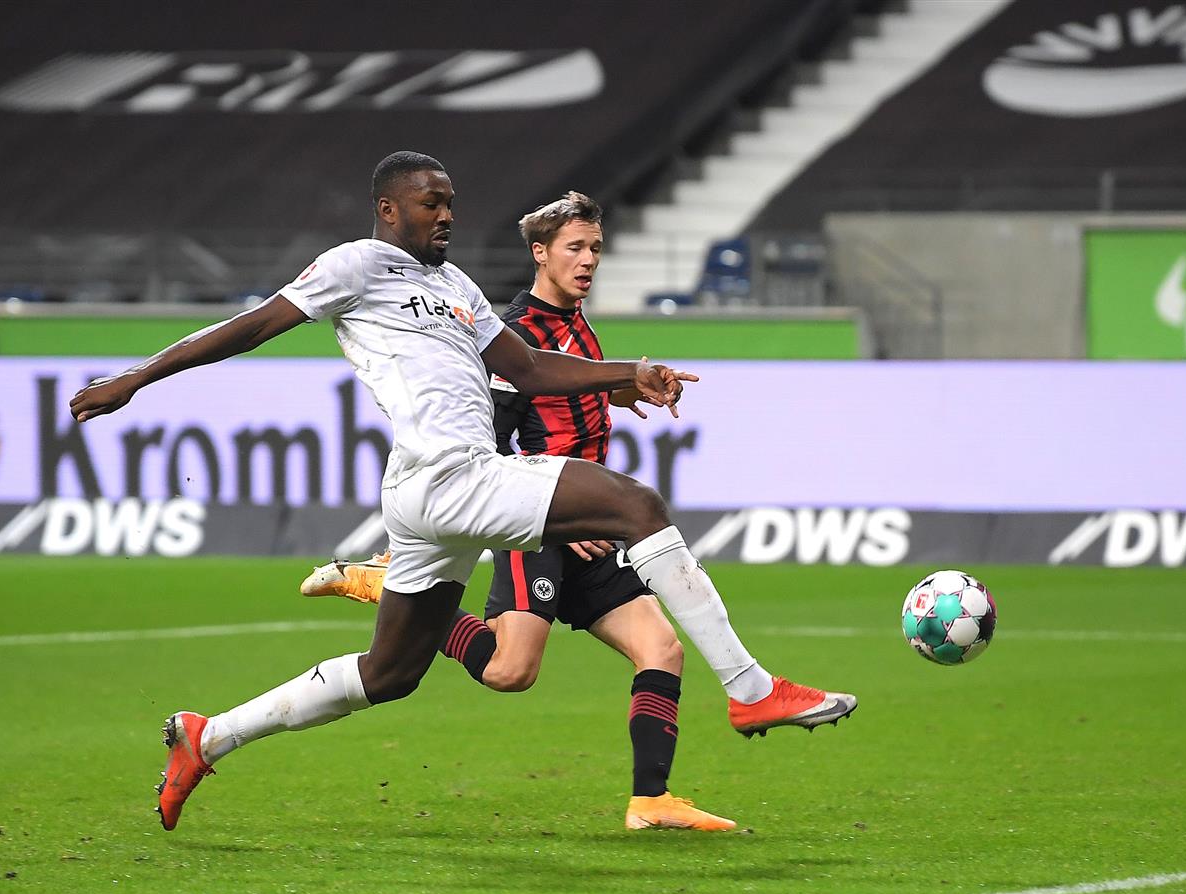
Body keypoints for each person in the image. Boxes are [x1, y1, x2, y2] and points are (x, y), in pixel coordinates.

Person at [68, 153, 852, 835]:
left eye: (450, 204)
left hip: (428, 495)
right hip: (447, 476)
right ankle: (750, 689)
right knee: (637, 504)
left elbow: (534, 369)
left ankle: (205, 738)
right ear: (388, 209)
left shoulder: (457, 287)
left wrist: (628, 373)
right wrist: (137, 378)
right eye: (430, 202)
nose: (446, 215)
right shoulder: (354, 265)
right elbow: (252, 325)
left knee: (391, 672)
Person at [303, 192, 856, 747]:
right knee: (509, 671)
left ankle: (652, 802)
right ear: (540, 253)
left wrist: (616, 390)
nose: (588, 259)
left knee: (661, 649)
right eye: (575, 247)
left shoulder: (575, 325)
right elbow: (488, 444)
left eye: (595, 247)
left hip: (589, 527)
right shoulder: (514, 331)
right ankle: (390, 587)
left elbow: (556, 400)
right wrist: (563, 512)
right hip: (545, 522)